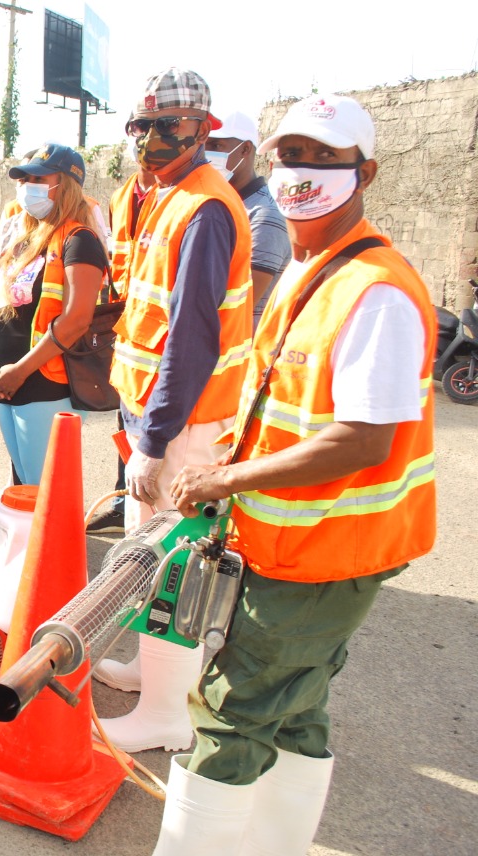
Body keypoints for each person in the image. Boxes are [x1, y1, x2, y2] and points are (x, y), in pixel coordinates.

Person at [153, 93, 437, 856]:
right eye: (289, 156)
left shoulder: (374, 289)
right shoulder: (317, 267)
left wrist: (224, 482)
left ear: (365, 171)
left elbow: (363, 440)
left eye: (321, 158)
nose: (298, 174)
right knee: (296, 706)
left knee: (229, 713)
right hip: (295, 543)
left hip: (324, 552)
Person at [94, 68, 254, 754]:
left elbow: (191, 337)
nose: (154, 139)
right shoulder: (166, 197)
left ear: (203, 131)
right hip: (159, 415)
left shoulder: (205, 208)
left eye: (171, 127)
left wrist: (155, 440)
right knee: (149, 559)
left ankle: (165, 713)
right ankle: (150, 676)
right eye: (143, 127)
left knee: (174, 562)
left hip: (187, 423)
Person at [0, 145, 107, 485]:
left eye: (39, 178)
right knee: (25, 487)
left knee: (45, 490)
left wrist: (19, 371)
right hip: (7, 383)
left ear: (65, 184)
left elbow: (77, 319)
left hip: (48, 384)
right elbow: (0, 307)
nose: (28, 186)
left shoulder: (80, 240)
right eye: (24, 179)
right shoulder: (24, 241)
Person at [86, 146, 156, 536]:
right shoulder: (125, 195)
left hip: (169, 355)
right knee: (131, 449)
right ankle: (120, 504)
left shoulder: (202, 205)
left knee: (158, 471)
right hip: (131, 339)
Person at [207, 110, 290, 328]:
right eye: (203, 146)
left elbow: (241, 304)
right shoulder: (220, 205)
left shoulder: (264, 215)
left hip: (239, 354)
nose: (206, 154)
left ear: (245, 149)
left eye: (216, 146)